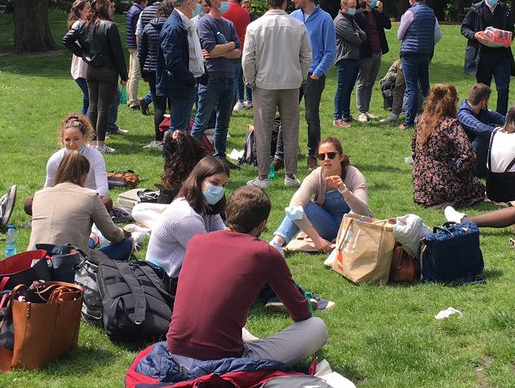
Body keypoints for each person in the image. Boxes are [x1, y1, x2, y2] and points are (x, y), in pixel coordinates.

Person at [166, 185, 328, 368]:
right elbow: (301, 313)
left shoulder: (197, 241)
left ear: (228, 213)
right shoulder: (265, 253)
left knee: (225, 326)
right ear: (262, 225)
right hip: (225, 360)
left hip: (176, 350)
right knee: (317, 327)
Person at [243, 0, 312, 190]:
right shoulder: (297, 25)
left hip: (264, 83)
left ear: (267, 2)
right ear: (285, 2)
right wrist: (300, 76)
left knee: (263, 130)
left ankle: (263, 177)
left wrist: (251, 80)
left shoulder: (255, 26)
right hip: (291, 83)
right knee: (291, 128)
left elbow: (248, 58)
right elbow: (307, 56)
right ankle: (290, 175)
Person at [268, 137, 371, 252]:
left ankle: (341, 242)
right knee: (302, 206)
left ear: (341, 157)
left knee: (355, 214)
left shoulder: (354, 175)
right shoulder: (316, 176)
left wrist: (344, 190)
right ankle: (276, 243)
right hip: (328, 226)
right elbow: (294, 207)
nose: (326, 159)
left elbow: (362, 210)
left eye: (331, 155)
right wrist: (317, 240)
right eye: (322, 156)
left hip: (354, 226)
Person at [29, 149, 131, 259]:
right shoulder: (90, 196)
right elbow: (112, 234)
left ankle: (92, 240)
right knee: (127, 244)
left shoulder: (39, 195)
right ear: (84, 176)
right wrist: (125, 235)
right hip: (70, 264)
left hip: (35, 262)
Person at [143, 157, 230, 280]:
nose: (219, 190)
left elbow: (224, 236)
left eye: (224, 185)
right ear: (199, 180)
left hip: (185, 274)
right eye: (214, 183)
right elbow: (210, 254)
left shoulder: (208, 207)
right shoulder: (185, 216)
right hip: (165, 280)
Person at [286, 0, 336, 170]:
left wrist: (316, 73)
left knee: (311, 117)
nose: (292, 0)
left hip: (313, 75)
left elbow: (330, 51)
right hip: (293, 74)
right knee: (287, 115)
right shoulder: (293, 16)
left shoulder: (325, 19)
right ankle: (282, 154)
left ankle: (312, 155)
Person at [67, 0, 127, 150]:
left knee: (93, 106)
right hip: (107, 71)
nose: (113, 10)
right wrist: (124, 74)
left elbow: (67, 40)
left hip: (92, 71)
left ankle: (89, 141)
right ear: (105, 9)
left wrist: (84, 54)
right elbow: (117, 53)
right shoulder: (109, 26)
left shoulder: (84, 25)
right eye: (110, 7)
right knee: (102, 107)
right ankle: (99, 144)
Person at [411, 84, 484, 208]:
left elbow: (414, 148)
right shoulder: (450, 125)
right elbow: (469, 155)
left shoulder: (422, 119)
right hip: (442, 184)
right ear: (452, 102)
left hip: (421, 185)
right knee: (478, 188)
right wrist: (462, 173)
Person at [192, 0, 241, 160]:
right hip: (211, 77)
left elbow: (238, 51)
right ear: (213, 1)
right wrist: (229, 46)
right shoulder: (205, 22)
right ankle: (191, 157)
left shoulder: (228, 24)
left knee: (224, 122)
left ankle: (220, 156)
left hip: (229, 77)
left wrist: (223, 50)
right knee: (202, 120)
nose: (227, 1)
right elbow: (210, 50)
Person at [25, 114, 109, 215]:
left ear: (84, 137)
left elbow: (103, 188)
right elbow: (48, 188)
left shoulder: (95, 155)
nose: (72, 144)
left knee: (106, 202)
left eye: (76, 139)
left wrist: (83, 199)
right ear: (62, 140)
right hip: (62, 200)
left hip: (88, 199)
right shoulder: (55, 160)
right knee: (29, 203)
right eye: (67, 139)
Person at [461, 0, 515, 115]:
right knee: (482, 89)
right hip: (482, 55)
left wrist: (509, 39)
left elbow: (511, 30)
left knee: (503, 88)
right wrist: (475, 36)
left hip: (501, 55)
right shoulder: (475, 9)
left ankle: (501, 117)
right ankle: (481, 116)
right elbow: (464, 28)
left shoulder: (504, 10)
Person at [157, 0, 205, 135]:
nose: (199, 5)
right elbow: (172, 61)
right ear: (188, 3)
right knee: (177, 129)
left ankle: (179, 157)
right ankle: (173, 158)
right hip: (181, 84)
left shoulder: (183, 21)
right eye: (197, 1)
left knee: (181, 128)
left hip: (186, 82)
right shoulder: (174, 25)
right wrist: (190, 79)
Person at [396, 0, 442, 130]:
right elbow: (437, 35)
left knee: (411, 88)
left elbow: (400, 34)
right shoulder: (431, 13)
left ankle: (409, 121)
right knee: (425, 86)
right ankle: (429, 116)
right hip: (425, 52)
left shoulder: (410, 13)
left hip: (410, 53)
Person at [137, 0, 173, 148]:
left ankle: (158, 139)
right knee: (173, 103)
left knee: (158, 105)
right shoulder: (173, 27)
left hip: (151, 69)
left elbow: (142, 52)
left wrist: (142, 71)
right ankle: (172, 136)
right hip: (170, 68)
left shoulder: (148, 28)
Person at [354, 0, 390, 122]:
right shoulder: (358, 14)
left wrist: (381, 11)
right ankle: (361, 111)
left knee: (370, 83)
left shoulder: (376, 13)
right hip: (365, 52)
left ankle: (367, 109)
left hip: (377, 51)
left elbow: (387, 25)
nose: (375, 0)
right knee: (362, 82)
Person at [457, 83, 506, 179]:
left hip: (475, 155)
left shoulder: (482, 111)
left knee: (492, 129)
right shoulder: (463, 114)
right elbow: (480, 128)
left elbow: (500, 118)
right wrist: (504, 133)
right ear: (483, 102)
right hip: (463, 160)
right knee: (483, 136)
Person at [332, 0, 367, 127]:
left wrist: (357, 33)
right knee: (342, 88)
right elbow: (357, 39)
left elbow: (363, 35)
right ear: (343, 7)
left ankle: (345, 115)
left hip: (353, 57)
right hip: (344, 58)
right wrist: (357, 34)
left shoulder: (351, 19)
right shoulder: (340, 21)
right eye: (351, 7)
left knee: (348, 89)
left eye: (355, 6)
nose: (354, 9)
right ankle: (337, 117)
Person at [225, 0, 252, 111]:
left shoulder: (223, 9)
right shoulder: (244, 12)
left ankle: (233, 102)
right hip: (240, 47)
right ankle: (239, 100)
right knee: (238, 77)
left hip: (224, 48)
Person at [66, 0, 92, 115]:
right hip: (82, 69)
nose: (90, 10)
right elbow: (68, 41)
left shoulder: (84, 23)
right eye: (88, 8)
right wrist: (82, 53)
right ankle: (90, 130)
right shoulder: (79, 25)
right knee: (92, 100)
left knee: (87, 101)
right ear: (80, 10)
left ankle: (83, 128)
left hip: (84, 67)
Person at [125, 0, 148, 110]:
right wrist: (140, 49)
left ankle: (130, 98)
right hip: (135, 46)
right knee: (135, 74)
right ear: (143, 1)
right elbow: (137, 32)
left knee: (131, 73)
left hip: (130, 45)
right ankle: (133, 101)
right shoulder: (138, 12)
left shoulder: (131, 9)